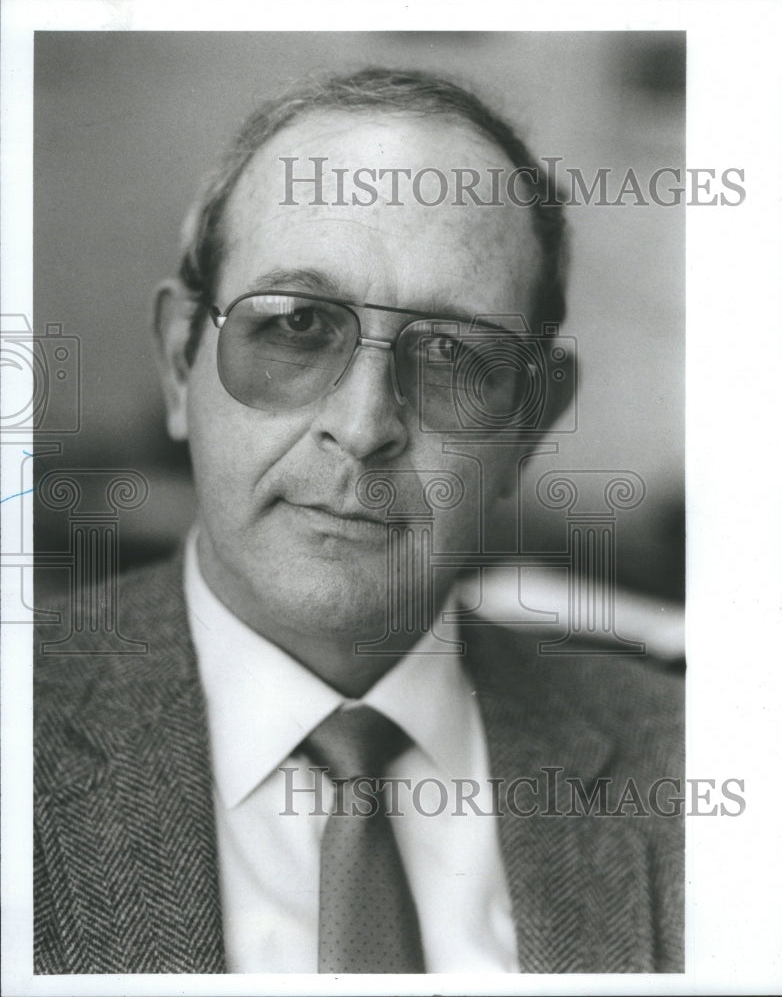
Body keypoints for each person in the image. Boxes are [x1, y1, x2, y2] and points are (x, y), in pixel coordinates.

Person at [33, 68, 683, 975]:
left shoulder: (692, 763)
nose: (365, 425)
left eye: (453, 353)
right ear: (180, 360)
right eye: (297, 326)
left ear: (527, 426)